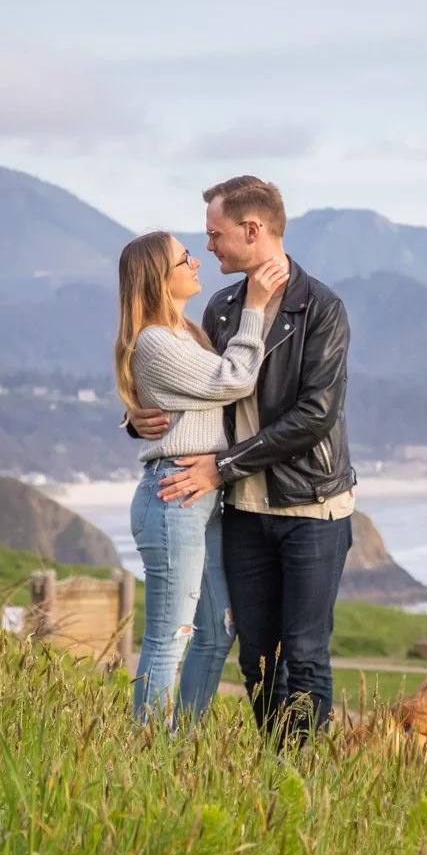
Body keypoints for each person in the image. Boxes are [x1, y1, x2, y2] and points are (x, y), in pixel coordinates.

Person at [127, 175, 355, 744]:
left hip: (310, 506)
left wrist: (221, 468)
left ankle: (297, 772)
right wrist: (138, 418)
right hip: (241, 509)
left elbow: (314, 416)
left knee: (302, 655)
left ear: (251, 230)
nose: (207, 247)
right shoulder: (226, 307)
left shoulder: (320, 308)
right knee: (254, 653)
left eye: (214, 234)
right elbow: (200, 390)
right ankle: (259, 758)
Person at [113, 230, 285, 725]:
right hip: (174, 495)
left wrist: (133, 417)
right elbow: (234, 380)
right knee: (171, 635)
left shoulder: (186, 332)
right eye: (183, 258)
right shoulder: (154, 340)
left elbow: (188, 403)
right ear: (156, 278)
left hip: (200, 493)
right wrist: (255, 306)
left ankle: (181, 743)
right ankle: (149, 750)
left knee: (217, 628)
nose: (195, 261)